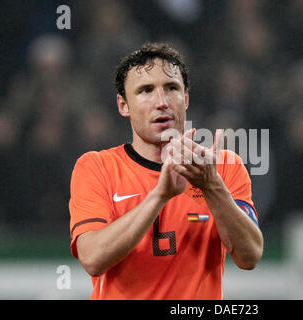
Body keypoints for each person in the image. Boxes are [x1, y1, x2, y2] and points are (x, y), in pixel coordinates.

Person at [68, 42, 263, 300]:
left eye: (171, 88)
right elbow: (92, 258)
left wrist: (212, 187)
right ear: (123, 105)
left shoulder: (222, 167)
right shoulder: (96, 167)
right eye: (146, 90)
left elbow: (249, 256)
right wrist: (160, 195)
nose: (161, 102)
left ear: (187, 98)